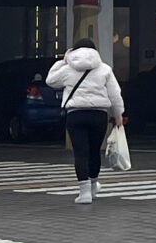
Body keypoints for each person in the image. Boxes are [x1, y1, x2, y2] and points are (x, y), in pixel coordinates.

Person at [47, 43, 125, 204]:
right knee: (94, 151)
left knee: (81, 152)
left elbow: (50, 81)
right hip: (99, 115)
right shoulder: (104, 69)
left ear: (74, 52)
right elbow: (115, 94)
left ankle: (84, 193)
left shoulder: (68, 69)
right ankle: (93, 186)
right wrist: (118, 114)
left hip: (76, 115)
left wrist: (63, 61)